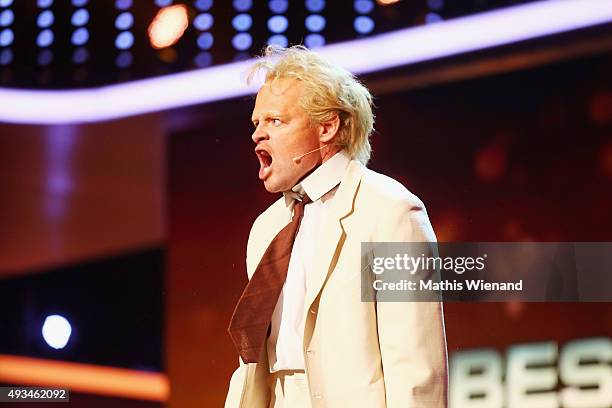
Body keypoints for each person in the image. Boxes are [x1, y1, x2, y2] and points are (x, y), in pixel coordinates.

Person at [225, 45, 447, 408]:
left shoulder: (389, 210)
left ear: (327, 126)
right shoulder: (267, 228)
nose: (257, 135)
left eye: (276, 121)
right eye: (256, 123)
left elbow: (416, 367)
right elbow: (255, 361)